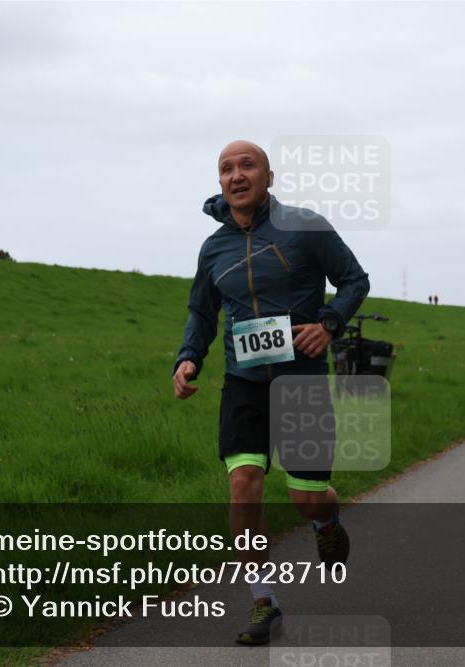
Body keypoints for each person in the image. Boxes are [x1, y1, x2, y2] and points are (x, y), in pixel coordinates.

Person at [173, 140, 370, 645]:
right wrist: (189, 356)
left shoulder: (304, 227)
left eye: (247, 166)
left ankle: (325, 519)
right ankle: (264, 601)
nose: (236, 175)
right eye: (226, 169)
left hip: (300, 378)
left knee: (304, 498)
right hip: (243, 382)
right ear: (220, 182)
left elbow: (353, 281)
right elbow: (202, 310)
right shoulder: (213, 247)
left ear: (268, 177)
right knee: (243, 487)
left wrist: (328, 324)